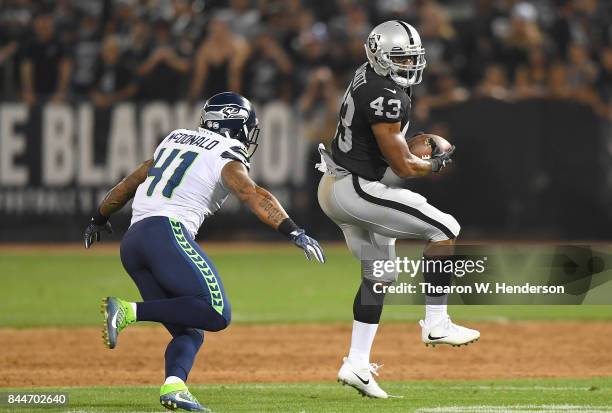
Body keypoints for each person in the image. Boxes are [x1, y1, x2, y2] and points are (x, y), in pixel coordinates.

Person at [83, 92, 325, 412]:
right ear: (233, 124)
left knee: (190, 331)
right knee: (216, 312)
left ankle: (174, 387)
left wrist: (98, 218)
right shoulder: (224, 154)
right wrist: (293, 230)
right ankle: (128, 310)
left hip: (133, 243)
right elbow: (251, 193)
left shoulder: (175, 139)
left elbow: (130, 183)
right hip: (166, 234)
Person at [316, 20, 480, 399]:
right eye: (400, 57)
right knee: (445, 228)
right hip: (354, 188)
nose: (408, 64)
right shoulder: (385, 93)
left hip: (336, 184)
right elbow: (404, 168)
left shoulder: (368, 76)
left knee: (380, 273)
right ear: (378, 55)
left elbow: (384, 142)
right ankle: (437, 322)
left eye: (411, 57)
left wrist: (410, 144)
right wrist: (435, 163)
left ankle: (356, 363)